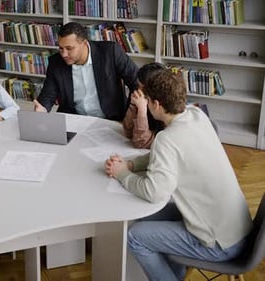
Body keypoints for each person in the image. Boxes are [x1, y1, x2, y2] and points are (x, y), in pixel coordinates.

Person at [104, 70, 252, 281]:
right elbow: (169, 154)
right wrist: (132, 164)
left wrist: (122, 174)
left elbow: (153, 192)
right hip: (238, 229)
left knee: (135, 237)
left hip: (219, 243)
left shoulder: (167, 139)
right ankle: (176, 274)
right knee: (141, 217)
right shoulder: (196, 115)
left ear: (155, 104)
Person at [33, 22, 138, 121]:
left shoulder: (110, 52)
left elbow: (136, 82)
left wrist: (130, 113)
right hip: (74, 120)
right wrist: (42, 109)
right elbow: (48, 96)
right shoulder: (56, 63)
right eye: (61, 48)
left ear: (84, 43)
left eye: (69, 48)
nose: (64, 54)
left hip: (111, 119)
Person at [123, 62, 166, 148]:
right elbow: (128, 132)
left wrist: (142, 110)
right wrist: (133, 105)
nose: (138, 90)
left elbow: (142, 143)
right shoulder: (141, 97)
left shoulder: (163, 107)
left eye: (143, 88)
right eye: (138, 85)